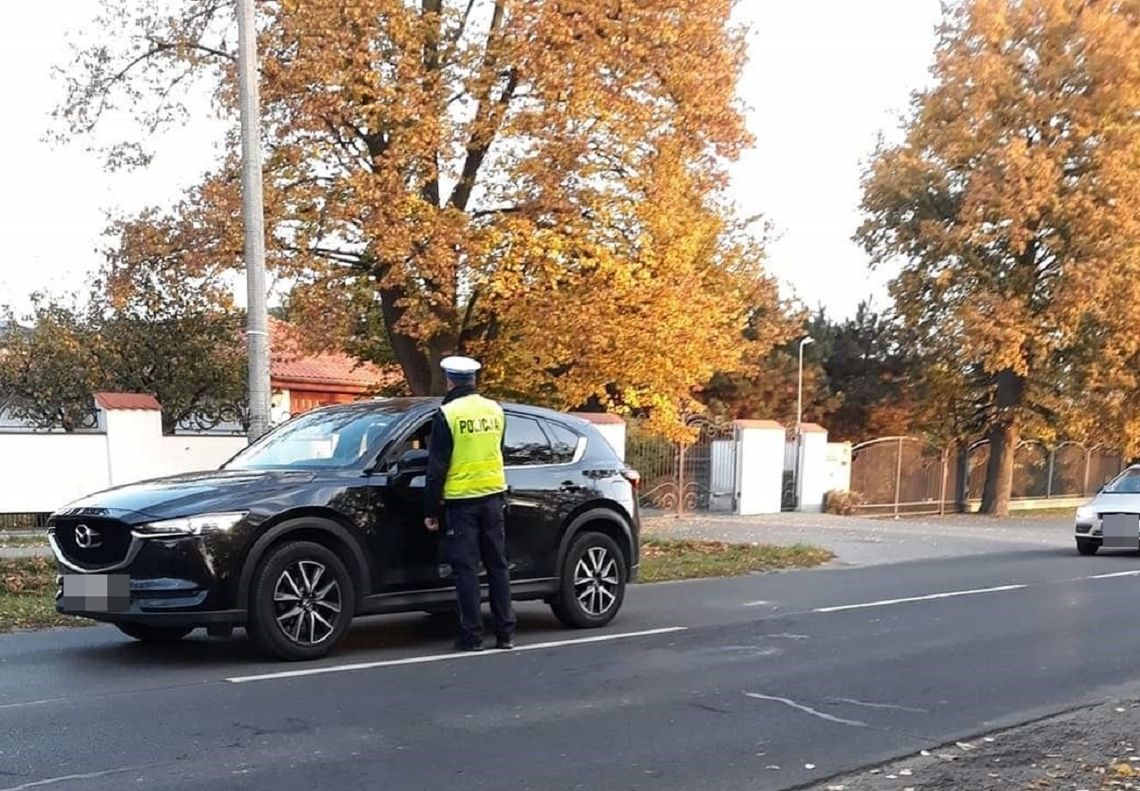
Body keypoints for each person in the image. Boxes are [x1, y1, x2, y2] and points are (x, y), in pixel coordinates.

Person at [423, 355, 517, 651]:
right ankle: (505, 634)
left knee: (466, 569)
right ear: (473, 380)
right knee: (497, 566)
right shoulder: (495, 410)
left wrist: (430, 509)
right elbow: (498, 449)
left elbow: (437, 466)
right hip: (493, 497)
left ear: (449, 381)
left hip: (462, 501)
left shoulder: (448, 414)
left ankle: (472, 636)